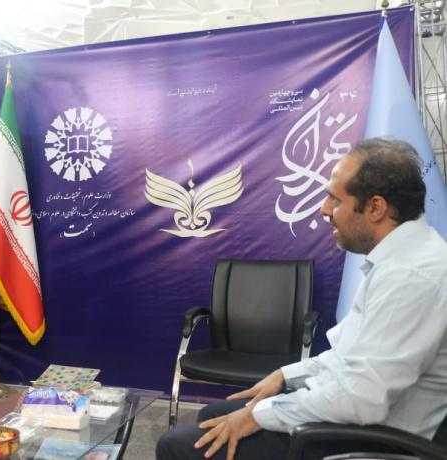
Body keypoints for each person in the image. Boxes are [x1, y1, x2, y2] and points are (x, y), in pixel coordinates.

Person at [156, 137, 447, 460]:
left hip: (372, 440)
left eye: (335, 199)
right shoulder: (401, 259)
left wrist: (258, 416)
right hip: (357, 418)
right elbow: (347, 358)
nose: (324, 210)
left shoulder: (411, 277)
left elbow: (361, 398)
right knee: (214, 415)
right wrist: (284, 376)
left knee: (175, 445)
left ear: (375, 208)